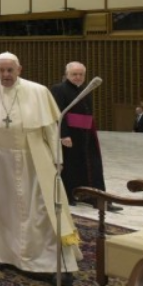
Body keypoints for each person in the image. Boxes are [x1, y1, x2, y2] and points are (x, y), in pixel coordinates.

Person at [0, 52, 81, 286]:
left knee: (41, 210)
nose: (6, 75)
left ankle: (51, 261)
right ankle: (0, 253)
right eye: (1, 70)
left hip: (34, 157)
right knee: (0, 209)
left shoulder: (38, 91)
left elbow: (50, 128)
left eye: (10, 70)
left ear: (19, 69)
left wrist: (57, 157)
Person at [50, 62, 121, 211]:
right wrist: (63, 135)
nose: (78, 77)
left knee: (93, 166)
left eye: (81, 74)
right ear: (67, 74)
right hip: (70, 134)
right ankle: (70, 196)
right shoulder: (58, 89)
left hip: (86, 135)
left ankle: (97, 198)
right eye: (74, 74)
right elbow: (58, 112)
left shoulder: (85, 89)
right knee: (71, 166)